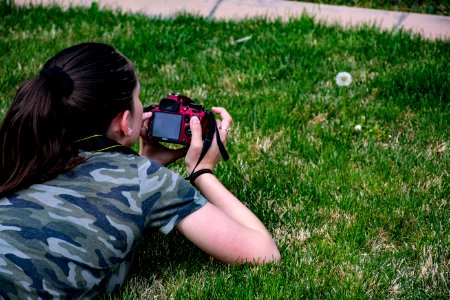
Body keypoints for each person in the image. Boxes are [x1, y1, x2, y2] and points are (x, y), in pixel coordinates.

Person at [0, 42, 280, 298]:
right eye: (138, 97)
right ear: (125, 122)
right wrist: (201, 171)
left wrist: (146, 163)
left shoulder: (25, 149)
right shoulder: (144, 181)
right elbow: (262, 254)